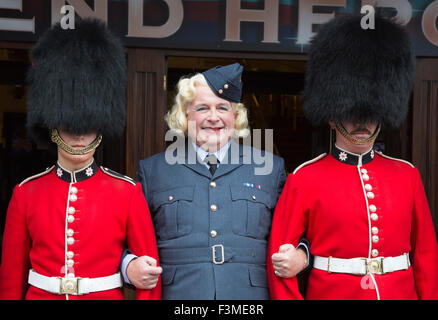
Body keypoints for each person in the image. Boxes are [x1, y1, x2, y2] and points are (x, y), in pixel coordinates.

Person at [267, 14, 438, 300]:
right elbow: (280, 261)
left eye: (371, 115)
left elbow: (425, 254)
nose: (363, 124)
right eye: (353, 115)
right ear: (333, 118)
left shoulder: (407, 175)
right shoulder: (305, 177)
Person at [0, 19, 161, 300]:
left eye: (87, 128)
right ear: (51, 129)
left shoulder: (127, 192)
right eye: (69, 128)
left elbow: (149, 276)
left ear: (100, 127)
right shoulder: (26, 193)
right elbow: (12, 278)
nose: (78, 137)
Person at [121, 63, 309, 299]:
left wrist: (300, 256)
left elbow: (301, 235)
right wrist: (129, 267)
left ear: (236, 116)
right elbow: (127, 241)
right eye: (202, 108)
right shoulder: (153, 170)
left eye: (222, 107)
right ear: (185, 114)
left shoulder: (270, 168)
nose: (213, 117)